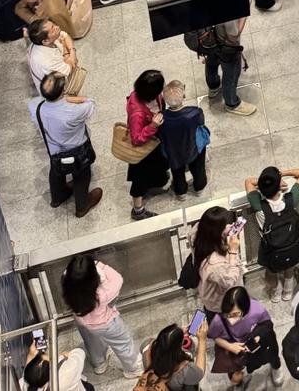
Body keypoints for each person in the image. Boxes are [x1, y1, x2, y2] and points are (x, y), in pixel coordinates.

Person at [31, 72, 102, 218]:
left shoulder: (35, 105)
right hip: (78, 151)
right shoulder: (74, 111)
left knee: (56, 172)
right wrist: (73, 98)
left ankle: (57, 197)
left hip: (54, 151)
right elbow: (91, 103)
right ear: (62, 91)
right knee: (82, 176)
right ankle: (82, 206)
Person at [60, 254, 142, 377]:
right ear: (94, 278)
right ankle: (132, 369)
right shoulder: (103, 294)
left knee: (92, 342)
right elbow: (118, 278)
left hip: (82, 321)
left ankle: (99, 364)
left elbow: (68, 273)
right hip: (106, 324)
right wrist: (98, 264)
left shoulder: (69, 287)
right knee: (123, 343)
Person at [245, 163, 299, 299]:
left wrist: (268, 183)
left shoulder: (259, 205)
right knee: (289, 265)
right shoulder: (291, 200)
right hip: (292, 245)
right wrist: (281, 174)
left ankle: (275, 292)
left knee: (271, 271)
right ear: (278, 185)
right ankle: (288, 291)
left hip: (271, 250)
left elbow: (248, 182)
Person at [207, 285, 282, 387]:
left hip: (258, 342)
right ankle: (243, 377)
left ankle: (275, 367)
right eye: (227, 314)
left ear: (246, 310)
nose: (230, 319)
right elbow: (215, 337)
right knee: (239, 372)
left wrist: (258, 336)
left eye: (235, 314)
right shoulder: (219, 319)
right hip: (238, 350)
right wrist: (230, 346)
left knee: (272, 355)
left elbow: (268, 325)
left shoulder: (257, 309)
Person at [124, 68, 169, 218]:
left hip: (154, 144)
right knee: (140, 179)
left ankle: (155, 182)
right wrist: (153, 126)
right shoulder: (137, 112)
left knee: (158, 166)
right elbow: (136, 139)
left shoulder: (150, 97)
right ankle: (138, 210)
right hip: (144, 150)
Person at [199, 12, 257, 116]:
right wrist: (244, 14)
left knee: (211, 63)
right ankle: (232, 103)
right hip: (227, 47)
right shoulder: (228, 9)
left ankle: (213, 87)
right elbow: (233, 36)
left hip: (209, 41)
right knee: (231, 74)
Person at [158, 79, 207, 199]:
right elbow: (201, 125)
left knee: (177, 171)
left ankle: (181, 193)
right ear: (183, 95)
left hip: (173, 151)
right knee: (198, 168)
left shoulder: (161, 118)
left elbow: (159, 134)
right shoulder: (195, 112)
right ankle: (199, 188)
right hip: (193, 148)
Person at [190, 205, 245, 313]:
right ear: (217, 231)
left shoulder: (201, 234)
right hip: (220, 305)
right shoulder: (214, 264)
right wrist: (233, 251)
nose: (233, 226)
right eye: (228, 225)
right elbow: (229, 281)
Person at [142, 320, 207, 391]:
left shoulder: (148, 350)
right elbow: (200, 372)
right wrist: (202, 340)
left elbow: (165, 344)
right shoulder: (184, 371)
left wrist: (176, 333)